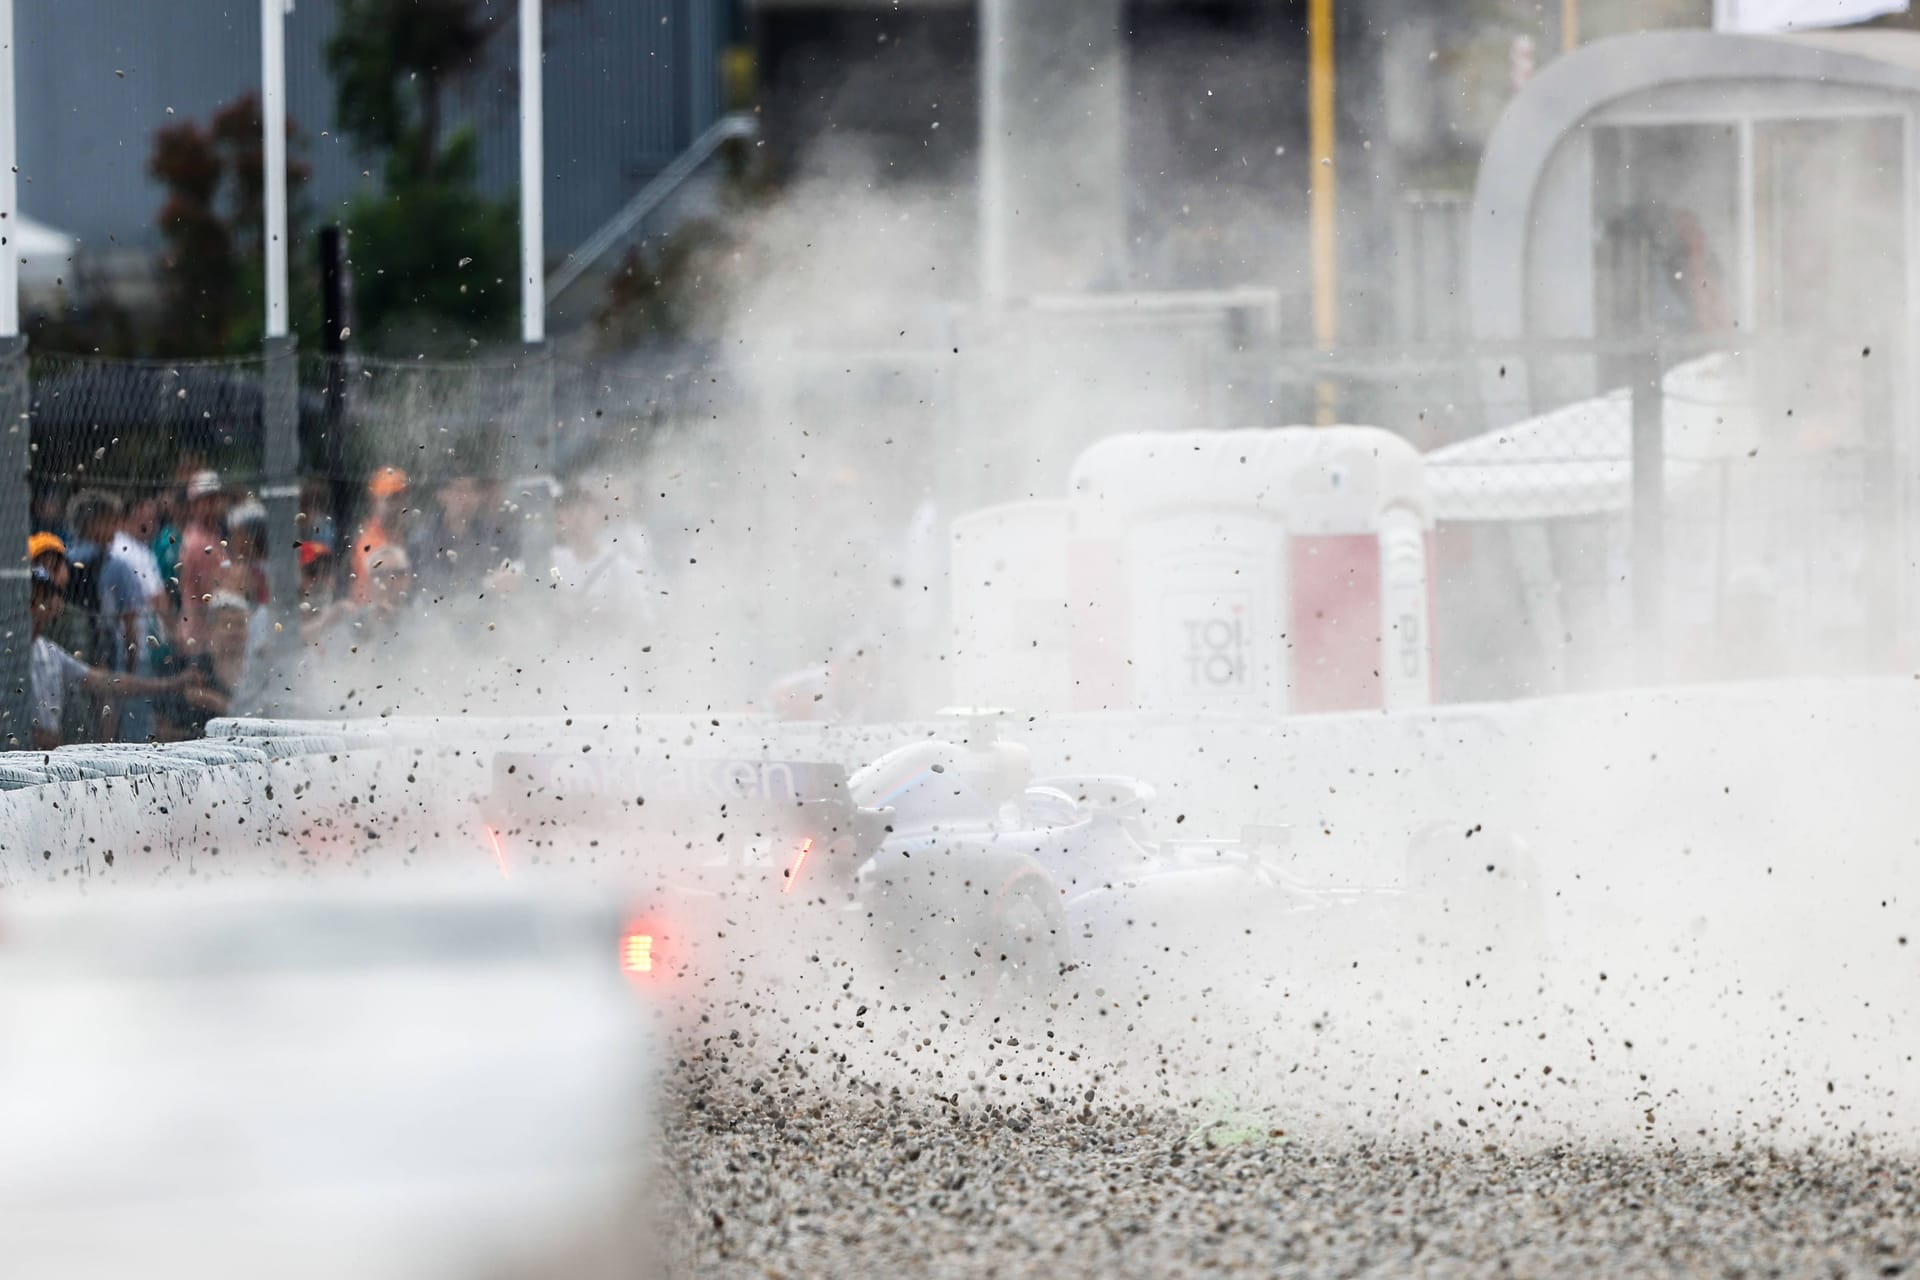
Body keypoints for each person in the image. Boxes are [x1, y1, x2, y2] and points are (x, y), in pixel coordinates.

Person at [30, 568, 188, 750]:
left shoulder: (49, 652)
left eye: (42, 598)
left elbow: (105, 681)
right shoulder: (8, 654)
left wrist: (170, 684)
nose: (37, 607)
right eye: (32, 600)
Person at [97, 496, 175, 742]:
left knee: (137, 716)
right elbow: (154, 600)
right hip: (130, 648)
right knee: (135, 722)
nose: (151, 521)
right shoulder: (123, 549)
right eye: (146, 513)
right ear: (131, 515)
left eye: (154, 515)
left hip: (142, 647)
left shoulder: (142, 548)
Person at [153, 592, 253, 739]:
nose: (235, 631)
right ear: (212, 629)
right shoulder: (192, 669)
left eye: (240, 624)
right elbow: (162, 731)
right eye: (227, 624)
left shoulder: (258, 670)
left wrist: (220, 704)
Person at [175, 469, 230, 653]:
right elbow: (212, 595)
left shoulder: (210, 534)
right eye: (207, 500)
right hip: (202, 639)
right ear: (194, 506)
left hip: (207, 635)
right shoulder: (199, 543)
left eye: (215, 499)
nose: (213, 505)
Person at [351, 466, 410, 604]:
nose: (396, 504)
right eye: (390, 498)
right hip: (371, 611)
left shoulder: (408, 533)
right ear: (374, 501)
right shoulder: (367, 541)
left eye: (400, 497)